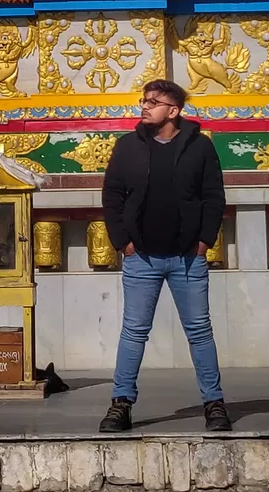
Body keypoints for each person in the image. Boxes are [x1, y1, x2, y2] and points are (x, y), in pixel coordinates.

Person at [98, 78, 230, 432]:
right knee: (134, 331)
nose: (145, 106)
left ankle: (214, 404)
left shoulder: (199, 147)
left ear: (173, 111)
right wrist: (123, 242)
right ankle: (121, 404)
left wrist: (203, 241)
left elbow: (213, 197)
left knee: (199, 330)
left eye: (153, 102)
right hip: (141, 257)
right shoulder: (128, 147)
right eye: (144, 100)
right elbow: (112, 196)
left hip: (187, 258)